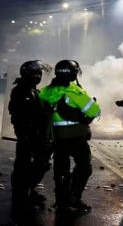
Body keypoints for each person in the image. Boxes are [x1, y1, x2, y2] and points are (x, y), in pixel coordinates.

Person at [39, 60, 101, 215]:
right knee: (84, 167)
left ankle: (61, 201)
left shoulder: (45, 91)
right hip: (76, 136)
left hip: (55, 138)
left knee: (60, 171)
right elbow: (95, 112)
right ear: (73, 74)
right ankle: (74, 197)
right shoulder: (74, 92)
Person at [8, 60, 52, 217]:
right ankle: (20, 197)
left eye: (39, 73)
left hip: (37, 136)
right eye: (36, 73)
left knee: (41, 164)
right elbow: (20, 115)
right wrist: (27, 133)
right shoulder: (21, 91)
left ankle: (27, 190)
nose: (39, 76)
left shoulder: (34, 91)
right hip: (28, 135)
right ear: (27, 74)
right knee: (23, 165)